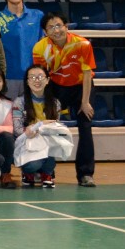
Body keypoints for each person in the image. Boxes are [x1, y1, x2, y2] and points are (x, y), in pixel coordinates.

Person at [31, 13, 96, 187]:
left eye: (59, 25)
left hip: (81, 87)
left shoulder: (82, 44)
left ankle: (85, 174)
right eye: (51, 27)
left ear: (66, 27)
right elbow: (42, 76)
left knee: (85, 125)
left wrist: (85, 102)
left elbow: (88, 74)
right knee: (45, 125)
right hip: (56, 87)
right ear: (45, 32)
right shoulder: (40, 48)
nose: (56, 30)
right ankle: (45, 171)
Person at [0, 0, 43, 101]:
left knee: (33, 113)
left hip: (33, 77)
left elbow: (45, 46)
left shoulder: (38, 16)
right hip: (6, 77)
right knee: (7, 113)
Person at [14, 65, 60, 188]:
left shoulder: (55, 103)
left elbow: (56, 128)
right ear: (27, 81)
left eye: (40, 77)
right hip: (27, 143)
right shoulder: (19, 102)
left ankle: (47, 173)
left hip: (46, 143)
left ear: (47, 80)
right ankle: (28, 172)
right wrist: (30, 131)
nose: (36, 80)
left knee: (52, 145)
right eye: (32, 77)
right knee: (33, 165)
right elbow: (17, 130)